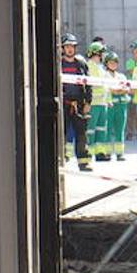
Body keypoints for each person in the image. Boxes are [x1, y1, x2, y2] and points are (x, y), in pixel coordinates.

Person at [59, 33, 92, 171]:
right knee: (61, 133)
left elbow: (88, 83)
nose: (70, 49)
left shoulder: (81, 63)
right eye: (67, 46)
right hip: (64, 103)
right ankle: (60, 161)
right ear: (62, 48)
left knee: (81, 134)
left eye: (72, 46)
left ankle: (83, 162)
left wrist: (88, 102)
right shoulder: (59, 64)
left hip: (78, 103)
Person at [102, 49, 131, 160]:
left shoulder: (121, 76)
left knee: (120, 129)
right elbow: (109, 89)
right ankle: (108, 152)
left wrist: (118, 90)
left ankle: (120, 153)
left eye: (115, 62)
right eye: (110, 62)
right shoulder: (104, 75)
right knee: (108, 129)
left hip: (122, 105)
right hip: (110, 105)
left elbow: (127, 89)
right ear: (106, 64)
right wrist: (117, 90)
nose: (113, 64)